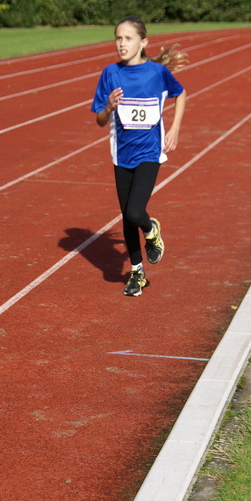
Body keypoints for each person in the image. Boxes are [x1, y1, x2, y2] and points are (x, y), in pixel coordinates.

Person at [91, 16, 186, 297]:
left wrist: (175, 130)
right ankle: (137, 272)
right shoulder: (110, 73)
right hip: (121, 154)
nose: (122, 43)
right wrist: (108, 107)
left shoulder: (156, 73)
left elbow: (180, 94)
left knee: (135, 212)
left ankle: (152, 229)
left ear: (143, 42)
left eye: (128, 38)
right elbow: (99, 120)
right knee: (126, 217)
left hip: (149, 153)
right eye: (118, 38)